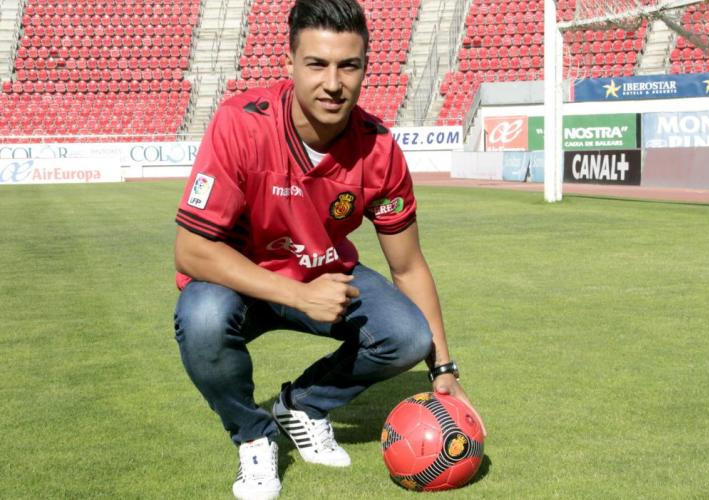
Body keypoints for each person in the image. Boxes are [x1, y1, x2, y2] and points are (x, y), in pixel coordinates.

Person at [173, 0, 483, 498]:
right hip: (241, 285)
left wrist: (442, 368)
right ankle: (253, 435)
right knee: (202, 317)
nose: (333, 83)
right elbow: (191, 251)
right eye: (317, 64)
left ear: (365, 67)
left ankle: (302, 404)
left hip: (325, 277)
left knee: (408, 336)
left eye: (348, 66)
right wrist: (298, 295)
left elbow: (408, 267)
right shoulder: (241, 124)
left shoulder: (379, 149)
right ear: (290, 63)